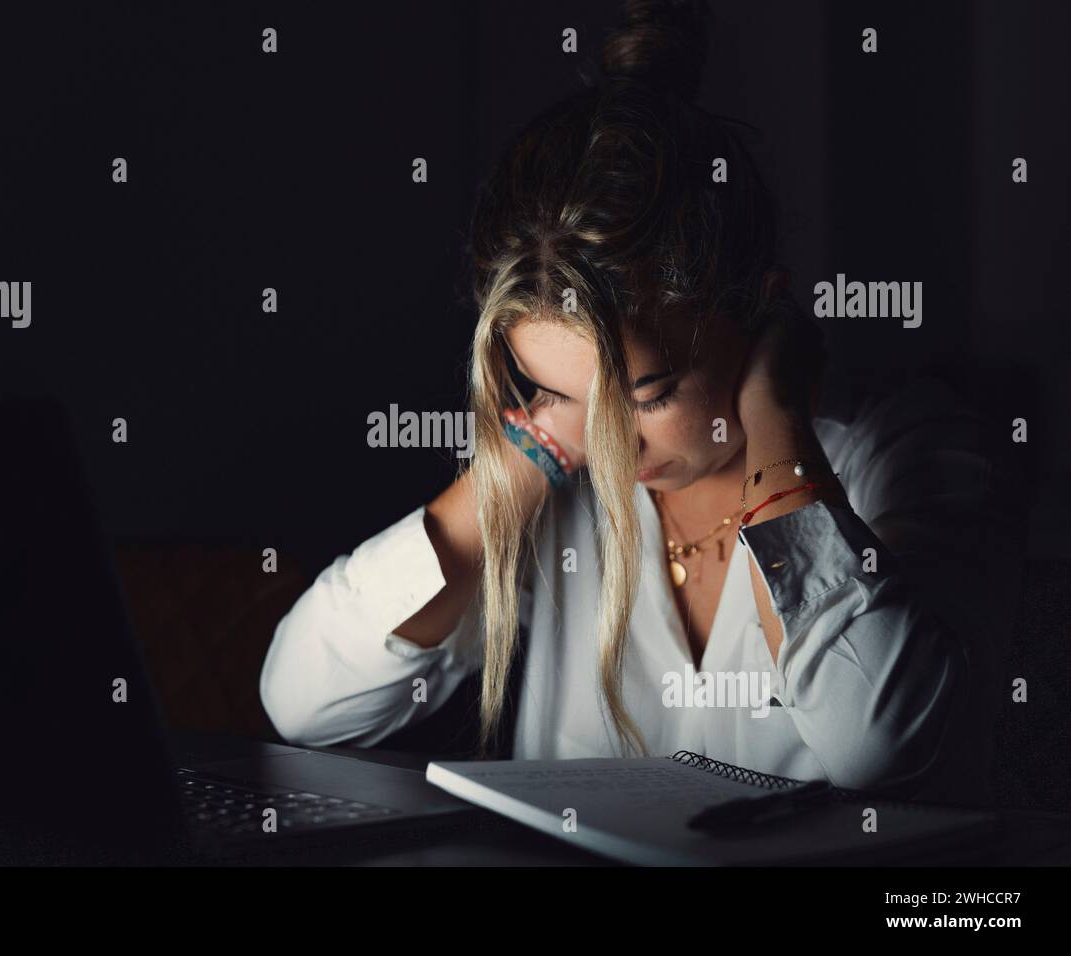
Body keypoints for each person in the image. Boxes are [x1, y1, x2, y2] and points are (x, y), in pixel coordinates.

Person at [259, 0, 1025, 806]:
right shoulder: (563, 478)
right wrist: (524, 460)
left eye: (646, 394)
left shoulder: (917, 454)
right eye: (556, 390)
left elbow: (880, 745)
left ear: (760, 308)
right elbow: (306, 701)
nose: (609, 443)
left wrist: (776, 419)